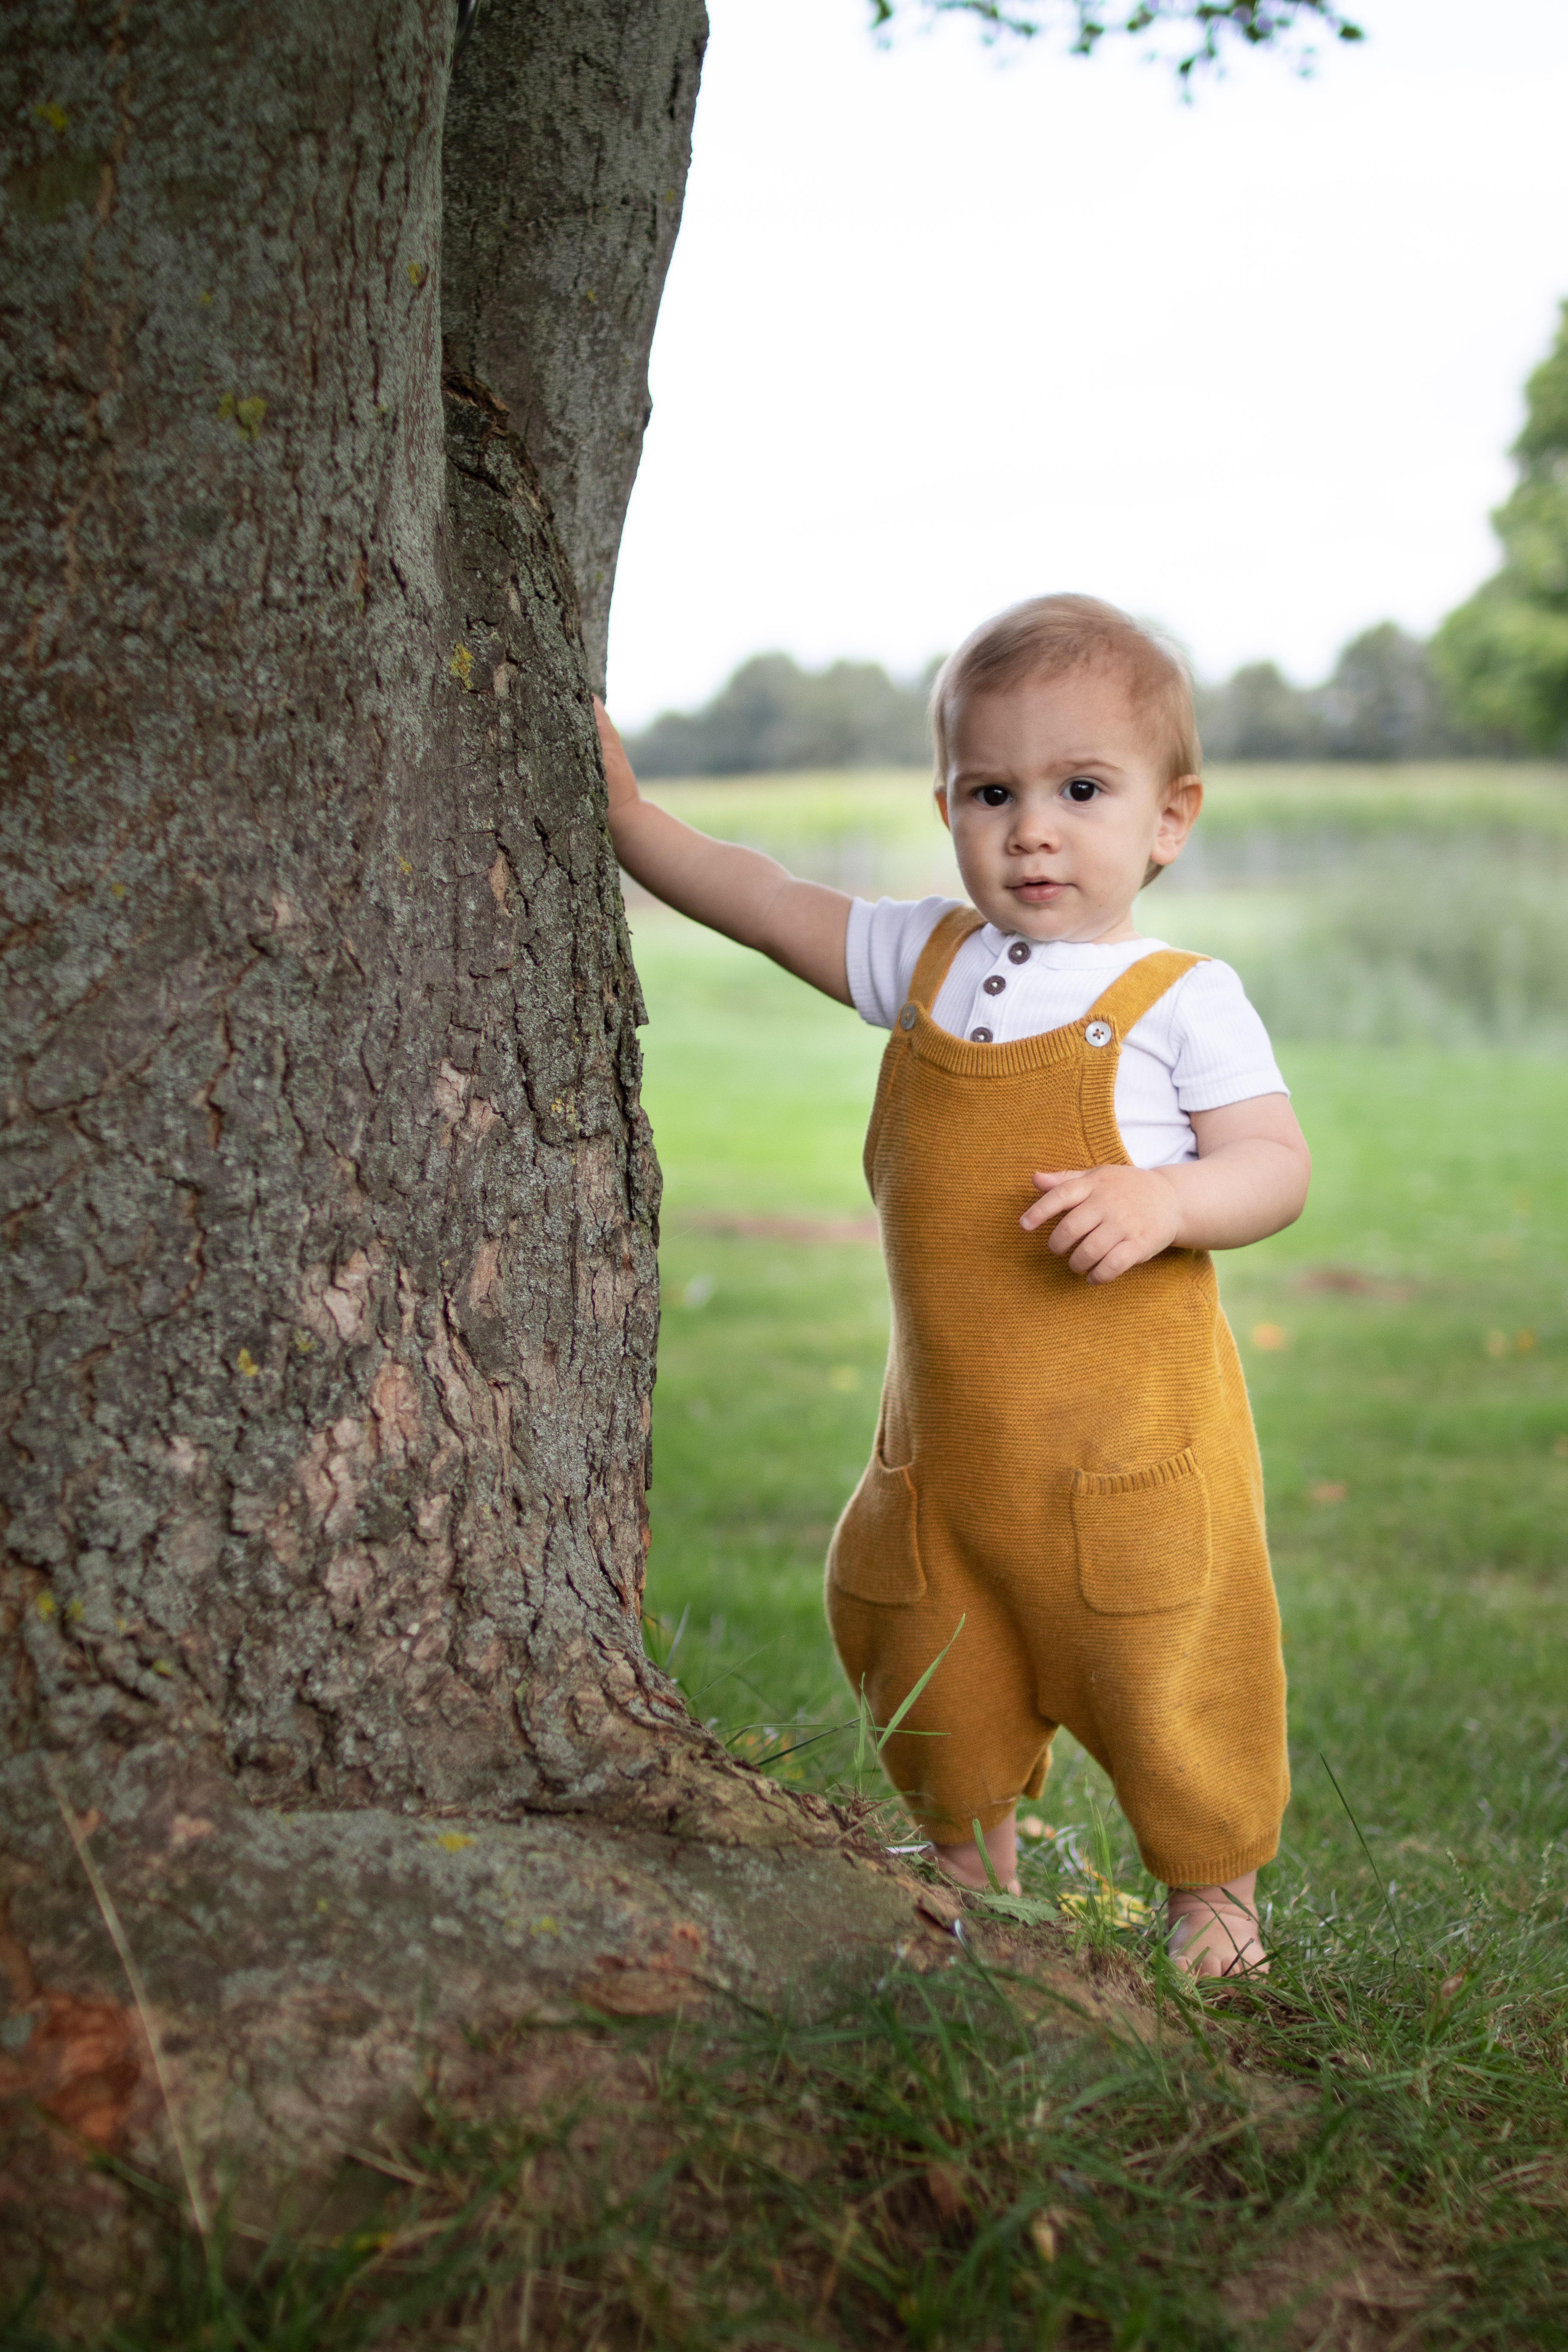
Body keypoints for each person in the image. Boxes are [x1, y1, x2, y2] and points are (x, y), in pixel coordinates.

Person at [599, 593, 1310, 1978]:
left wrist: (1166, 1199)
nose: (1032, 827)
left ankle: (1217, 1904)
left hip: (1126, 1464)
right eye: (994, 791)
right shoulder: (930, 963)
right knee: (931, 1661)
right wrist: (631, 820)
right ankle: (974, 1894)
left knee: (1172, 1672)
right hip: (949, 1457)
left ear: (1171, 818)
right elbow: (765, 899)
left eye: (1081, 789)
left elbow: (1274, 1166)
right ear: (948, 808)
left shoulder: (1176, 997)